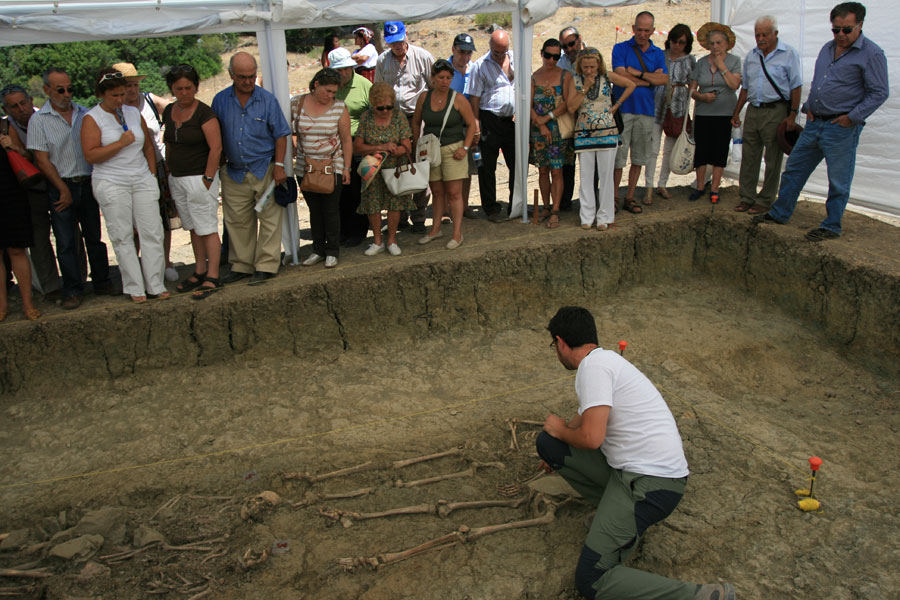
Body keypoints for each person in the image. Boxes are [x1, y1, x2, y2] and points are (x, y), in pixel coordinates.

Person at [537, 306, 736, 600]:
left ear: (561, 342)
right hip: (641, 475)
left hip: (651, 485)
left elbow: (591, 438)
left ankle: (700, 596)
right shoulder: (605, 362)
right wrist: (559, 436)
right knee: (549, 444)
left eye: (554, 345)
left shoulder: (593, 368)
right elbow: (578, 424)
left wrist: (559, 429)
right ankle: (613, 517)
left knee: (591, 579)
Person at [754, 2, 888, 241]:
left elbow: (879, 92)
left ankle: (832, 225)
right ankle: (780, 212)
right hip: (815, 123)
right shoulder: (828, 48)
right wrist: (809, 107)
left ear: (860, 25)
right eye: (835, 30)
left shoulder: (872, 53)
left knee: (838, 179)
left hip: (841, 127)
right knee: (794, 169)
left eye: (846, 30)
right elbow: (821, 82)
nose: (840, 35)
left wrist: (853, 117)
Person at [28, 67, 114, 309]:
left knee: (94, 237)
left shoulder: (85, 114)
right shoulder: (39, 120)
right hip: (60, 184)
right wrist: (61, 188)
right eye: (60, 90)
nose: (67, 94)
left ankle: (101, 281)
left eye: (70, 89)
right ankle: (73, 289)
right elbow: (42, 159)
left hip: (86, 182)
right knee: (65, 242)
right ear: (46, 90)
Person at [81, 68, 168, 303]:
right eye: (115, 96)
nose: (120, 100)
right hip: (111, 180)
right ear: (102, 94)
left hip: (141, 177)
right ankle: (134, 287)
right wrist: (120, 144)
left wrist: (150, 174)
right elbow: (91, 155)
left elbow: (148, 146)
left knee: (152, 231)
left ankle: (155, 284)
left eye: (122, 94)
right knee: (122, 235)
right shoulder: (92, 118)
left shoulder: (132, 112)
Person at [211, 52, 291, 284]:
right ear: (231, 76)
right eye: (242, 77)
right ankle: (242, 265)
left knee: (270, 219)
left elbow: (281, 135)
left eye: (252, 76)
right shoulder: (220, 100)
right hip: (234, 170)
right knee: (237, 221)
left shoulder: (267, 100)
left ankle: (266, 265)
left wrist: (278, 166)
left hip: (264, 167)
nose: (248, 81)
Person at [162, 64, 224, 300]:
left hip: (199, 177)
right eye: (179, 88)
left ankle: (213, 274)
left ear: (196, 87)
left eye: (188, 88)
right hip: (177, 178)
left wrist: (207, 178)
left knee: (207, 227)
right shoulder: (169, 111)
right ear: (172, 89)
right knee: (192, 226)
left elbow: (216, 148)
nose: (184, 92)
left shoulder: (204, 113)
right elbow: (168, 142)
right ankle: (199, 269)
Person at [730, 16, 803, 214]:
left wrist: (792, 115)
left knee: (772, 158)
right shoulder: (752, 56)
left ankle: (765, 199)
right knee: (749, 156)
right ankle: (746, 197)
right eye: (757, 35)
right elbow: (745, 87)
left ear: (775, 34)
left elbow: (796, 86)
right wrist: (737, 112)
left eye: (764, 34)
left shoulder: (788, 54)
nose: (760, 39)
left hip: (776, 110)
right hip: (754, 109)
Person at [115, 62, 179, 282]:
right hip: (128, 169)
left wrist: (167, 134)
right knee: (132, 223)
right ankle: (137, 267)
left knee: (161, 218)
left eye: (134, 84)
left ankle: (165, 261)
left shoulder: (149, 100)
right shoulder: (113, 108)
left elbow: (174, 108)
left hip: (157, 165)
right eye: (127, 85)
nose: (132, 89)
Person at [1, 83, 61, 296]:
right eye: (14, 106)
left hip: (59, 180)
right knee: (38, 239)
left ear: (31, 101)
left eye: (23, 103)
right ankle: (50, 286)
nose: (21, 109)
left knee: (68, 235)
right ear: (6, 110)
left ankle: (76, 282)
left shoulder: (47, 116)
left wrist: (16, 148)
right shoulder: (7, 127)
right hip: (31, 187)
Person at [375, 21, 434, 234]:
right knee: (395, 166)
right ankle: (399, 215)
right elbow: (379, 90)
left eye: (400, 41)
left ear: (405, 35)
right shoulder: (382, 61)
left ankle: (419, 216)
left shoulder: (423, 57)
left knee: (419, 164)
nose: (397, 46)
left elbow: (433, 87)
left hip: (418, 118)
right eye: (393, 43)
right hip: (392, 120)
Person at [567, 48, 635, 231]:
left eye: (592, 66)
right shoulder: (575, 80)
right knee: (586, 177)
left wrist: (617, 105)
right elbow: (572, 107)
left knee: (606, 176)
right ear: (580, 65)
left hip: (607, 133)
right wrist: (585, 88)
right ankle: (587, 216)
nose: (589, 70)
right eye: (585, 66)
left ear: (599, 64)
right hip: (584, 134)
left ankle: (604, 216)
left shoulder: (607, 77)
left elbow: (630, 85)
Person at [412, 59, 477, 249]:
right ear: (433, 78)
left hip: (453, 148)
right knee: (437, 192)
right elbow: (416, 122)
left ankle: (457, 234)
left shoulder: (457, 98)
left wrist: (464, 148)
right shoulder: (424, 97)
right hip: (431, 150)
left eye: (448, 78)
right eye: (441, 77)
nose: (444, 81)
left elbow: (472, 124)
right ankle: (436, 229)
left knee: (454, 193)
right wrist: (417, 144)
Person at [293, 68, 352, 268]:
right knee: (314, 210)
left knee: (330, 210)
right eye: (328, 91)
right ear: (316, 84)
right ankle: (317, 249)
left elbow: (346, 140)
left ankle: (332, 250)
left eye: (334, 93)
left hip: (332, 166)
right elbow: (290, 132)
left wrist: (347, 168)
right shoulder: (297, 103)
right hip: (305, 168)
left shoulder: (339, 108)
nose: (330, 96)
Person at [611, 11, 669, 213]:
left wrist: (637, 74)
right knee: (619, 157)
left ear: (652, 31)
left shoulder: (658, 53)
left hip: (646, 111)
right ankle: (615, 197)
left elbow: (664, 80)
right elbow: (619, 76)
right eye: (639, 29)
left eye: (647, 30)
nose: (642, 34)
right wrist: (648, 79)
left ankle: (629, 196)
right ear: (633, 28)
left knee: (639, 157)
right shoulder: (620, 48)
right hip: (623, 110)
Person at [354, 82, 415, 256]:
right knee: (372, 204)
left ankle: (392, 240)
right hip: (372, 169)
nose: (386, 111)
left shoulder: (398, 116)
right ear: (373, 104)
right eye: (381, 108)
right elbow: (357, 146)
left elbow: (407, 146)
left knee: (394, 203)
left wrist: (397, 150)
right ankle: (377, 240)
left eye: (389, 107)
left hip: (394, 167)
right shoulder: (366, 117)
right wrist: (381, 147)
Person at [688, 24, 742, 205]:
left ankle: (715, 188)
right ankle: (700, 186)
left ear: (727, 44)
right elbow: (692, 89)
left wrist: (721, 65)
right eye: (712, 43)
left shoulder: (734, 61)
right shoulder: (702, 62)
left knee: (719, 149)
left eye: (719, 43)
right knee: (702, 149)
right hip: (704, 112)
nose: (715, 46)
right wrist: (701, 96)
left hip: (724, 112)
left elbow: (735, 85)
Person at [467, 29, 516, 222]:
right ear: (489, 47)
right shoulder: (479, 66)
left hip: (511, 121)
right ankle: (491, 208)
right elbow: (474, 98)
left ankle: (515, 205)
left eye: (502, 52)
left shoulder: (514, 59)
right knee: (486, 167)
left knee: (516, 164)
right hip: (489, 119)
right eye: (496, 52)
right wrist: (476, 125)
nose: (499, 56)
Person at [325, 47, 372, 248]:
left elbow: (376, 113)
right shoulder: (329, 87)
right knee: (338, 191)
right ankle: (342, 230)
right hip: (334, 147)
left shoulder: (364, 85)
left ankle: (358, 231)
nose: (343, 73)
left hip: (357, 144)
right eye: (339, 70)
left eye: (346, 68)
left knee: (356, 190)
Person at [646, 25, 696, 201]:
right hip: (657, 104)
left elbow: (692, 84)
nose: (677, 45)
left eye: (681, 42)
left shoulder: (690, 60)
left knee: (669, 149)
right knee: (652, 149)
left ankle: (662, 184)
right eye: (674, 41)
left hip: (678, 107)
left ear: (687, 43)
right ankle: (649, 186)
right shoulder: (660, 55)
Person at [529, 39, 574, 229]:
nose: (551, 60)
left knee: (557, 170)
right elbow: (528, 104)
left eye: (556, 56)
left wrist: (545, 118)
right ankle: (546, 206)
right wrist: (540, 124)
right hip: (539, 130)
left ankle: (555, 210)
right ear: (542, 53)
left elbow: (567, 103)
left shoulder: (565, 76)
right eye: (548, 55)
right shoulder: (534, 77)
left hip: (558, 130)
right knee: (542, 169)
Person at [0, 122, 40, 321]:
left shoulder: (4, 125)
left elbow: (27, 156)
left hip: (10, 193)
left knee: (17, 249)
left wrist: (12, 147)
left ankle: (27, 303)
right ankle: (2, 304)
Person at [449, 33, 479, 220]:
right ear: (453, 49)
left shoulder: (475, 69)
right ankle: (446, 210)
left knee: (467, 167)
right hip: (449, 124)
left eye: (469, 53)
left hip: (468, 124)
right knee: (448, 167)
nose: (465, 56)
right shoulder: (443, 68)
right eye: (462, 52)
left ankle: (465, 206)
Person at [558, 26, 586, 212]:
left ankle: (589, 202)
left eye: (571, 44)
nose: (568, 49)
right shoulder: (560, 64)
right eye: (564, 46)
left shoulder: (593, 57)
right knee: (568, 163)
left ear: (579, 39)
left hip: (589, 117)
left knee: (590, 165)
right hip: (569, 118)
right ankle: (565, 202)